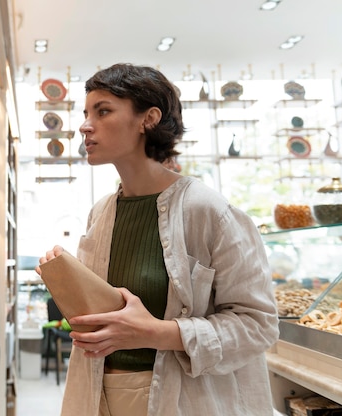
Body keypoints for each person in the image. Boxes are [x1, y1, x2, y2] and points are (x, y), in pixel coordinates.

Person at [36, 63, 279, 416]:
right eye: (86, 113)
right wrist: (67, 286)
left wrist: (157, 333)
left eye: (103, 111)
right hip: (97, 396)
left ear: (148, 118)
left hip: (180, 401)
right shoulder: (101, 213)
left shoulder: (208, 210)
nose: (85, 125)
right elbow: (107, 318)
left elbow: (258, 326)